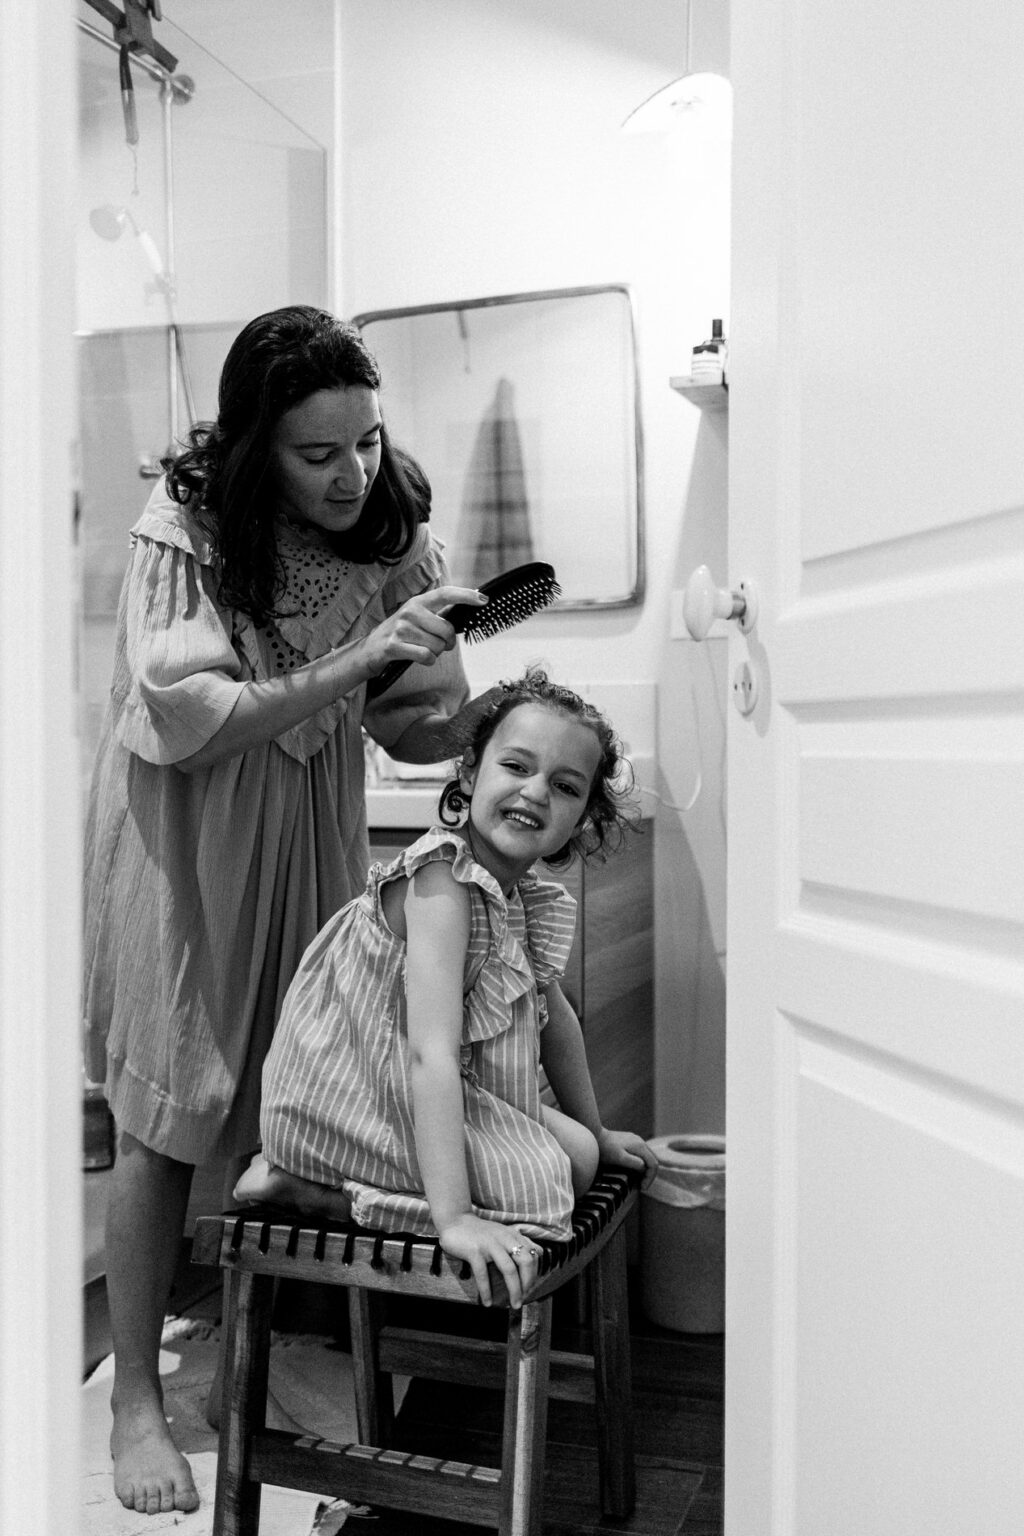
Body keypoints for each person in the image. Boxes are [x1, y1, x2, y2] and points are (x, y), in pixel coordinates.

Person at [83, 305, 494, 1517]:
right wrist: (363, 661)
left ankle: (241, 1365)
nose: (350, 472)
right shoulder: (189, 527)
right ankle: (134, 1404)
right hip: (187, 838)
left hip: (309, 823)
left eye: (365, 441)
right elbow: (188, 720)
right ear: (259, 441)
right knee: (165, 1112)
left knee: (293, 1101)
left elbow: (409, 721)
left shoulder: (390, 520)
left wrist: (482, 719)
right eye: (319, 454)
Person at [235, 669, 659, 1309]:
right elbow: (427, 1053)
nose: (535, 791)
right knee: (545, 1182)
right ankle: (307, 1186)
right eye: (516, 766)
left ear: (580, 820)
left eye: (565, 786)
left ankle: (346, 1185)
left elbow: (554, 1016)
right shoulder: (444, 883)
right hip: (349, 1098)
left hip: (414, 1086)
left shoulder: (517, 893)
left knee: (577, 1157)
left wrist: (596, 1131)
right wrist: (454, 1219)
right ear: (469, 773)